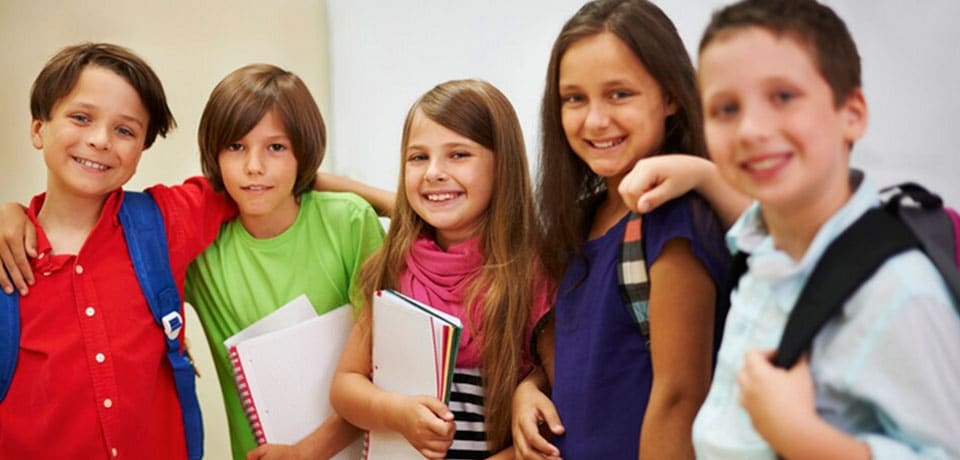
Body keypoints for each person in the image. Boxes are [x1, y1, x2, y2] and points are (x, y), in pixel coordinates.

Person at [690, 0, 960, 458]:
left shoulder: (897, 293)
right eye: (725, 108)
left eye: (783, 97)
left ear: (852, 113)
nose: (750, 130)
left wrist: (800, 437)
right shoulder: (758, 253)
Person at [511, 0, 730, 458]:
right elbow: (593, 361)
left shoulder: (674, 217)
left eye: (619, 94)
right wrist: (530, 388)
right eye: (574, 98)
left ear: (670, 96)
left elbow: (678, 399)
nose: (595, 120)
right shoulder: (579, 221)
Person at [0, 42, 236, 459]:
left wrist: (367, 195)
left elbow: (262, 182)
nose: (100, 140)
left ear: (142, 149)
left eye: (125, 130)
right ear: (38, 129)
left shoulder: (165, 222)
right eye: (81, 118)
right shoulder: (8, 258)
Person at [330, 79, 551, 459]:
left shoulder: (532, 271)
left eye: (458, 154)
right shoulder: (393, 266)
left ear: (504, 165)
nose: (433, 172)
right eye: (418, 157)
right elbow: (346, 386)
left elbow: (561, 404)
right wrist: (397, 413)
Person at [184, 63, 384, 460]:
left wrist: (307, 451)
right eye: (235, 146)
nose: (254, 166)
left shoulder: (348, 221)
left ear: (302, 153)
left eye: (275, 147)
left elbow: (386, 363)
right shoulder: (201, 247)